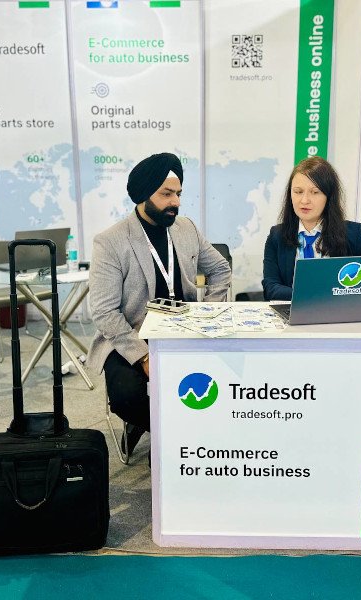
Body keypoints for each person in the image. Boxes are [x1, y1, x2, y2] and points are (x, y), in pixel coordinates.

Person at [88, 152, 231, 452]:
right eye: (166, 194)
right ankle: (171, 437)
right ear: (144, 194)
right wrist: (143, 357)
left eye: (178, 194)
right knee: (128, 396)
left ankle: (177, 441)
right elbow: (103, 311)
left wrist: (209, 313)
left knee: (229, 376)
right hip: (132, 336)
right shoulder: (111, 241)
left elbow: (220, 269)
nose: (175, 202)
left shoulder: (186, 228)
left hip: (185, 331)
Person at [262, 156, 361, 301]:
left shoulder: (353, 234)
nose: (304, 200)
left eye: (315, 192)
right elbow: (271, 288)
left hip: (339, 311)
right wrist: (315, 295)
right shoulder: (277, 236)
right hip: (293, 311)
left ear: (329, 196)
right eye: (298, 192)